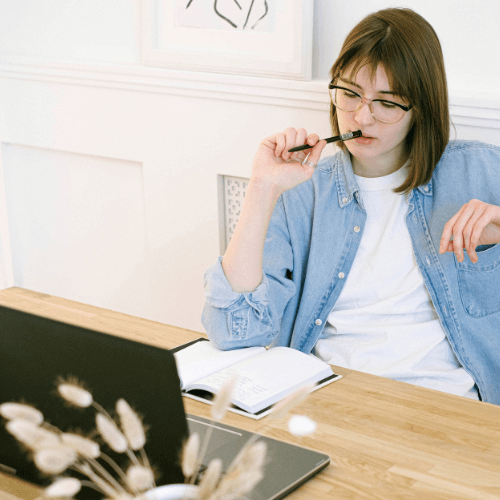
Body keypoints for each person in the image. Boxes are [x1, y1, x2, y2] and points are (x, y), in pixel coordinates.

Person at [202, 8, 500, 404]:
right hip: (328, 400)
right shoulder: (302, 193)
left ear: (421, 107)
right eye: (350, 94)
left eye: (387, 103)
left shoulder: (481, 170)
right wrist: (261, 188)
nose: (362, 117)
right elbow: (233, 331)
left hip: (445, 403)